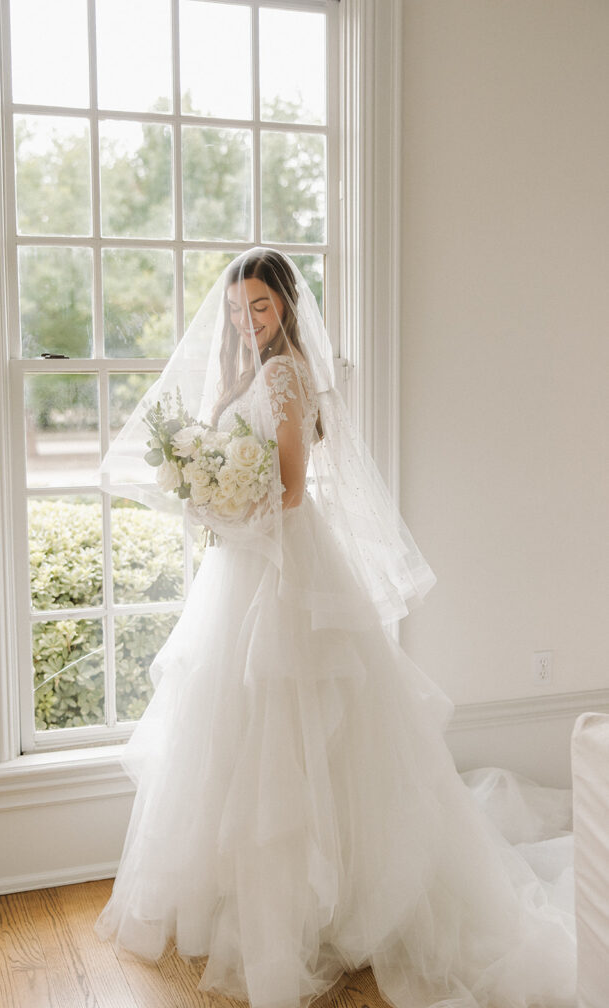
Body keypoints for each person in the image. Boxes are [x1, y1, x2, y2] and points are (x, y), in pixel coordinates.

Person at [94, 248, 576, 1008]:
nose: (246, 321)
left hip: (283, 565)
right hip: (243, 564)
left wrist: (219, 504)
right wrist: (208, 493)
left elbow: (287, 490)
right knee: (237, 729)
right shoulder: (241, 376)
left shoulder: (284, 375)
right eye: (235, 309)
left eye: (259, 307)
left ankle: (327, 907)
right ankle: (257, 901)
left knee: (298, 729)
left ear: (285, 305)